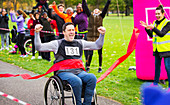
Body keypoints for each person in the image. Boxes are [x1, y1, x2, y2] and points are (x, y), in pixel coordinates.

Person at [34, 22, 106, 105]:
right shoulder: (57, 44)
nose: (72, 32)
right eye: (69, 30)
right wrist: (37, 33)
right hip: (64, 72)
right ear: (64, 32)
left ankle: (87, 103)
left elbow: (97, 45)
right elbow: (39, 47)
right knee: (76, 81)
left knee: (92, 78)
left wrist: (102, 35)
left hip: (78, 72)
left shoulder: (80, 43)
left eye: (73, 30)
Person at [140, 5, 170, 89]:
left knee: (168, 68)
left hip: (167, 50)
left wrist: (153, 27)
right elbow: (152, 36)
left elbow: (161, 34)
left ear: (163, 13)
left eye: (159, 13)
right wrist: (147, 28)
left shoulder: (168, 23)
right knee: (157, 67)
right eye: (156, 14)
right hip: (157, 49)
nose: (157, 15)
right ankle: (155, 83)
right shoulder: (154, 23)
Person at [83, 0, 111, 72]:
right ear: (93, 12)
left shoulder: (101, 16)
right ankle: (88, 66)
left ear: (99, 12)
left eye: (97, 10)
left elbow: (106, 8)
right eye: (94, 9)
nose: (96, 10)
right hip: (90, 37)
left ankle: (100, 67)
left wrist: (108, 1)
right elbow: (85, 7)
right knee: (90, 53)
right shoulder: (90, 16)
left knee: (100, 53)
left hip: (99, 37)